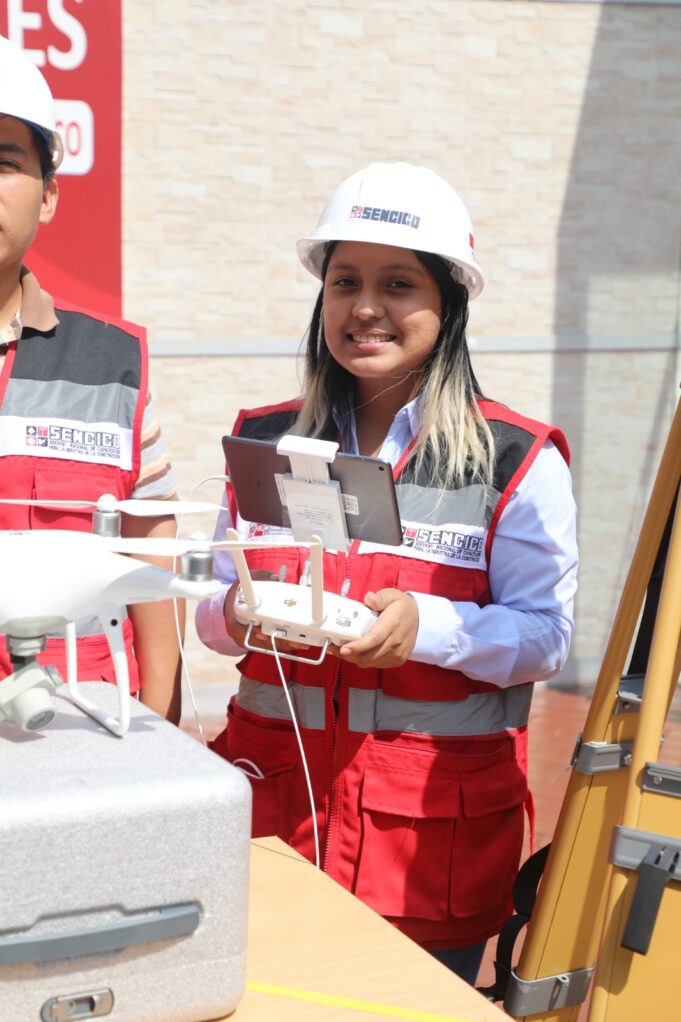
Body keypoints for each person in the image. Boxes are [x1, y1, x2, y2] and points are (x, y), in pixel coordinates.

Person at [196, 161, 578, 983]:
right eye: (344, 282)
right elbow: (209, 608)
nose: (364, 307)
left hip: (421, 846)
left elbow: (545, 637)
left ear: (450, 303)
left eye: (397, 283)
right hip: (269, 818)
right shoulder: (264, 439)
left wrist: (427, 628)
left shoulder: (515, 458)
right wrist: (232, 607)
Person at [0, 35, 184, 723]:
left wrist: (160, 718)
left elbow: (151, 552)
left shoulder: (114, 363)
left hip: (82, 724)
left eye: (3, 161)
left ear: (47, 196)